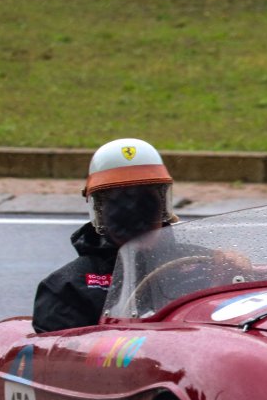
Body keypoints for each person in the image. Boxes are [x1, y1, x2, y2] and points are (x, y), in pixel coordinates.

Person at [32, 139, 177, 333]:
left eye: (145, 203)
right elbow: (63, 356)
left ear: (162, 206)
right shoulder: (68, 288)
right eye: (121, 205)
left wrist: (228, 270)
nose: (135, 214)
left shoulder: (203, 266)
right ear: (100, 212)